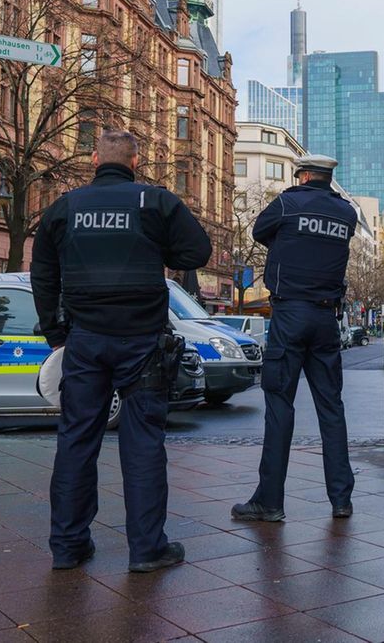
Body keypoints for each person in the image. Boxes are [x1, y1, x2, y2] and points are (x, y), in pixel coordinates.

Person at [30, 130, 211, 573]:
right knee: (144, 443)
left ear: (95, 160)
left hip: (85, 341)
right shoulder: (154, 202)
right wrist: (157, 247)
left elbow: (42, 272)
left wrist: (56, 333)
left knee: (76, 441)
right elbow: (198, 250)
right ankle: (147, 550)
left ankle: (68, 547)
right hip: (142, 341)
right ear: (135, 161)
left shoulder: (66, 207)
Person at [233, 154, 358, 523]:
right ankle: (341, 499)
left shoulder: (287, 203)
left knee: (279, 406)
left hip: (289, 315)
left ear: (303, 176)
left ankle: (269, 502)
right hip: (325, 317)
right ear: (328, 178)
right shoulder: (346, 213)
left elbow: (259, 232)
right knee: (331, 409)